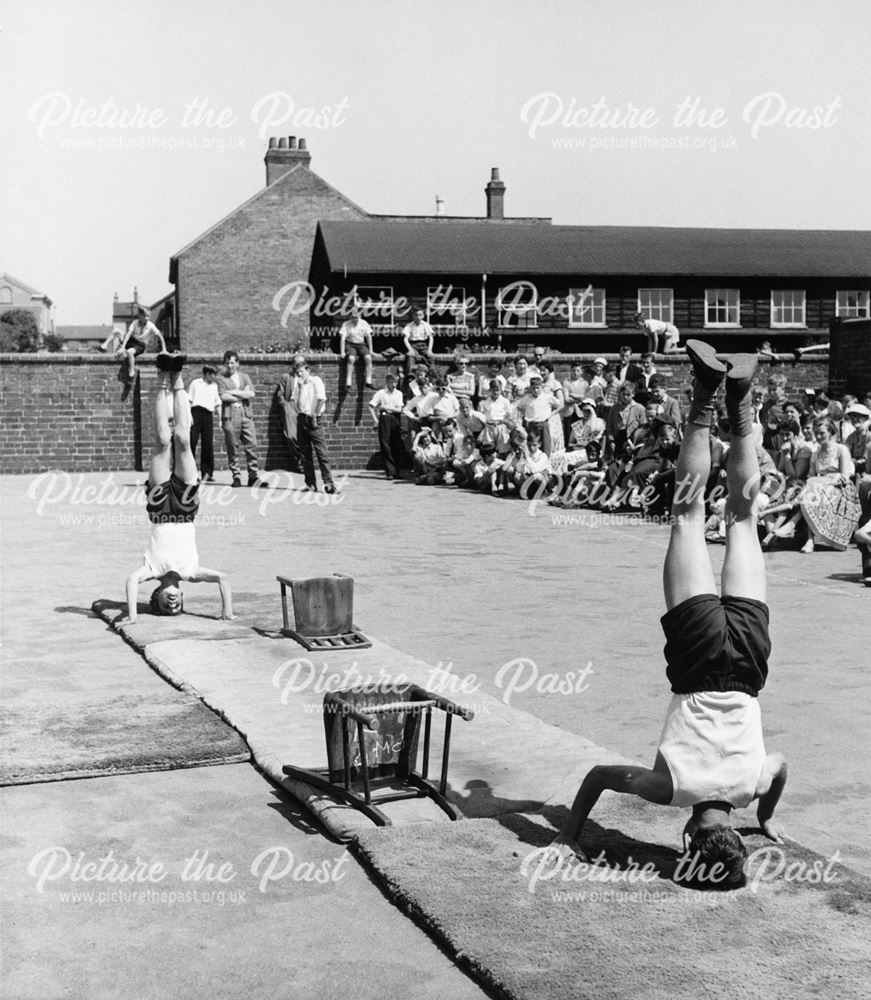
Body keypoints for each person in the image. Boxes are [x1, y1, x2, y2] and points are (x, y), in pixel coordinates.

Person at [553, 341, 787, 889]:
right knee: (686, 515)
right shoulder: (669, 789)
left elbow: (780, 768)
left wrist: (768, 816)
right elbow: (597, 777)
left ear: (733, 833)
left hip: (751, 664)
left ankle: (742, 396)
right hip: (699, 658)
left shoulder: (753, 785)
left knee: (743, 520)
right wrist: (569, 832)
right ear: (687, 839)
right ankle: (705, 394)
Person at [123, 354, 232, 623]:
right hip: (185, 508)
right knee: (183, 440)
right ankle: (178, 377)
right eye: (177, 607)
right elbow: (223, 578)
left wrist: (133, 617)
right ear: (183, 598)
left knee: (162, 441)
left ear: (156, 598)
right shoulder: (191, 572)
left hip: (159, 508)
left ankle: (163, 376)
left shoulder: (151, 571)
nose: (172, 603)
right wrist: (227, 611)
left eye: (165, 606)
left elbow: (131, 580)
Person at [772, 415, 859, 553]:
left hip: (840, 491)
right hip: (820, 490)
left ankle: (793, 526)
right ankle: (808, 539)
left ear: (831, 432)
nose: (818, 436)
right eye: (816, 433)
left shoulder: (841, 449)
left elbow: (845, 477)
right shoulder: (816, 453)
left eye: (822, 433)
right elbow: (811, 477)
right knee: (809, 488)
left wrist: (827, 479)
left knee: (813, 488)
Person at [216, 350, 261, 488]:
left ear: (238, 363)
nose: (230, 365)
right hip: (230, 414)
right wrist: (243, 394)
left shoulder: (244, 377)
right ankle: (236, 476)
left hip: (245, 413)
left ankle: (253, 477)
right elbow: (223, 396)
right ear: (225, 364)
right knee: (232, 446)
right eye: (228, 362)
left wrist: (234, 392)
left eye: (233, 362)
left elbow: (251, 393)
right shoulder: (221, 378)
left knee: (252, 444)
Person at [293, 361, 338, 493]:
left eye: (301, 371)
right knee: (304, 453)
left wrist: (314, 415)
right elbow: (296, 403)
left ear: (308, 370)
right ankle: (310, 484)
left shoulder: (316, 381)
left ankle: (329, 483)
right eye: (297, 373)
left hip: (315, 419)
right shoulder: (298, 384)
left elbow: (321, 398)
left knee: (321, 452)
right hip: (302, 418)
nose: (299, 374)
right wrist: (300, 388)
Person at [187, 365, 221, 482]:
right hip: (196, 413)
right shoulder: (195, 383)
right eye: (213, 374)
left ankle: (207, 473)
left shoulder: (215, 386)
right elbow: (189, 400)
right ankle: (190, 473)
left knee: (208, 444)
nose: (215, 377)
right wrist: (189, 416)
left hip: (208, 415)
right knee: (192, 442)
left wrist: (221, 418)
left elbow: (217, 403)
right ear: (207, 374)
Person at [369, 372, 405, 480]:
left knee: (396, 444)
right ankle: (390, 471)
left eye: (395, 382)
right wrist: (375, 420)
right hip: (384, 418)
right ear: (386, 382)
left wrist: (385, 406)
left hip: (395, 418)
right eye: (391, 382)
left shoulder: (399, 393)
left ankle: (397, 471)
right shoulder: (381, 393)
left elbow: (399, 409)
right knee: (386, 444)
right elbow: (371, 406)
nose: (393, 385)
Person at [116, 306, 166, 384]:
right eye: (145, 316)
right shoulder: (135, 322)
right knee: (116, 332)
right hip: (132, 341)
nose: (147, 318)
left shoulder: (150, 325)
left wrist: (164, 350)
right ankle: (104, 346)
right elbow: (128, 334)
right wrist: (122, 346)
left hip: (140, 345)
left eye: (148, 316)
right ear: (140, 316)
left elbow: (160, 337)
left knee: (130, 352)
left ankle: (131, 371)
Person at [339, 303, 374, 389]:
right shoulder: (346, 324)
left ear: (360, 317)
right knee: (351, 358)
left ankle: (368, 380)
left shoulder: (364, 323)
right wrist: (342, 352)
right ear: (351, 317)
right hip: (350, 344)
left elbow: (369, 337)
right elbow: (343, 338)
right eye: (353, 317)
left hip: (361, 344)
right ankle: (348, 380)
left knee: (368, 358)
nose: (355, 319)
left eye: (356, 318)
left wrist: (371, 350)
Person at [401, 307, 435, 377]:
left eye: (420, 315)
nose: (418, 317)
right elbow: (405, 339)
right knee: (410, 356)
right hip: (413, 345)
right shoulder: (409, 326)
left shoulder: (426, 325)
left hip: (423, 345)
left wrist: (430, 350)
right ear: (413, 316)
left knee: (430, 357)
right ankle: (410, 377)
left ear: (423, 316)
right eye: (416, 315)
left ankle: (431, 375)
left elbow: (431, 337)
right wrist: (410, 349)